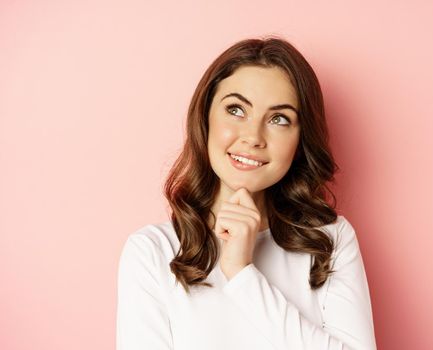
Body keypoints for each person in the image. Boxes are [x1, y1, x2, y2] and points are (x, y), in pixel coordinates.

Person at [116, 36, 377, 350]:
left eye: (279, 119)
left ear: (299, 142)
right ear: (205, 118)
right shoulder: (152, 252)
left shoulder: (330, 241)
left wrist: (242, 276)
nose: (253, 137)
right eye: (236, 110)